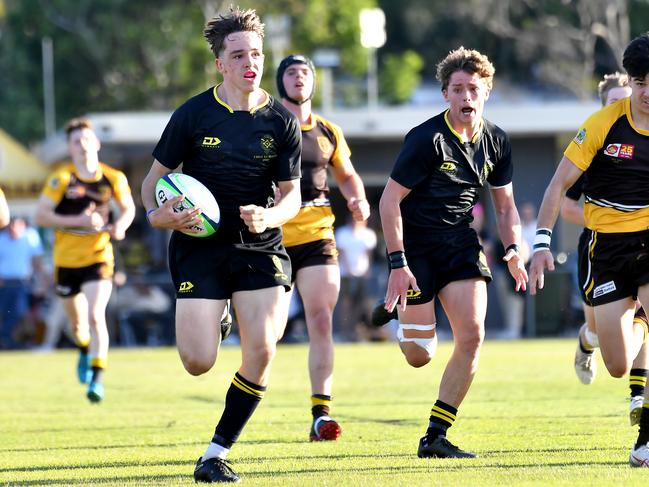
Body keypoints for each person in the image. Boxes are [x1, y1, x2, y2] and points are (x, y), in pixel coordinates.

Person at [140, 7, 301, 483]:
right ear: (220, 64)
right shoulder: (192, 114)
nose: (250, 62)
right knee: (197, 361)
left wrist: (270, 214)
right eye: (239, 54)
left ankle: (216, 452)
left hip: (259, 245)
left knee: (265, 349)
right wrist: (159, 216)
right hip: (199, 246)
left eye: (256, 53)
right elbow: (153, 183)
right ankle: (219, 317)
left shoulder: (281, 121)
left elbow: (292, 195)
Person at [378, 47, 528, 459]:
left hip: (460, 245)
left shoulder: (496, 140)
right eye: (457, 89)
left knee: (473, 335)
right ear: (445, 94)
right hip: (416, 250)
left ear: (487, 92)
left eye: (473, 89)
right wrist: (397, 263)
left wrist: (514, 249)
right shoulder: (426, 139)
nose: (466, 97)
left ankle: (435, 435)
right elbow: (389, 202)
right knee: (419, 356)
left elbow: (505, 206)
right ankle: (402, 323)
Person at [529, 33, 649, 467]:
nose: (647, 91)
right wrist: (541, 243)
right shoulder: (601, 126)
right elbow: (558, 186)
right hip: (608, 248)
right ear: (631, 83)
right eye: (640, 82)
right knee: (617, 364)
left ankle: (646, 440)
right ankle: (629, 324)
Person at [276, 54, 371, 442]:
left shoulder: (329, 130)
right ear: (280, 82)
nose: (299, 78)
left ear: (313, 83)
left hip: (318, 235)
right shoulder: (265, 124)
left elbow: (347, 176)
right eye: (291, 73)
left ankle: (321, 414)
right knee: (270, 331)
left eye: (304, 73)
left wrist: (358, 199)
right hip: (273, 238)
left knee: (320, 320)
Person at [560, 72, 648, 424]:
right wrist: (609, 219)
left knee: (643, 314)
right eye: (614, 101)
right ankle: (586, 341)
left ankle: (638, 397)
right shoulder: (594, 145)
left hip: (642, 241)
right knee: (602, 334)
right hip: (598, 246)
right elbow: (566, 206)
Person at [35, 118, 135, 403]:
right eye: (76, 142)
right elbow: (40, 216)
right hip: (66, 262)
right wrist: (78, 219)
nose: (82, 146)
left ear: (97, 143)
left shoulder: (113, 178)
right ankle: (82, 348)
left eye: (86, 140)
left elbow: (128, 209)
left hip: (98, 258)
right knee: (78, 325)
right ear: (69, 147)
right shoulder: (61, 178)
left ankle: (97, 378)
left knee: (95, 315)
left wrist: (121, 225)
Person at [0, 216, 44, 349]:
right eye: (11, 226)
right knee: (6, 313)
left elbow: (37, 261)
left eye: (17, 225)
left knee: (20, 313)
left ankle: (13, 341)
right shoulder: (2, 239)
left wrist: (42, 280)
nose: (13, 229)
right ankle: (7, 341)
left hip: (23, 283)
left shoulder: (30, 237)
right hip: (4, 283)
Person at [335, 216, 377, 340]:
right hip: (346, 274)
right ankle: (344, 331)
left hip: (362, 274)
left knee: (361, 303)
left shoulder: (368, 234)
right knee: (346, 302)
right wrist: (348, 270)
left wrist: (367, 270)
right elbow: (341, 253)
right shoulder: (342, 233)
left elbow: (369, 254)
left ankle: (356, 330)